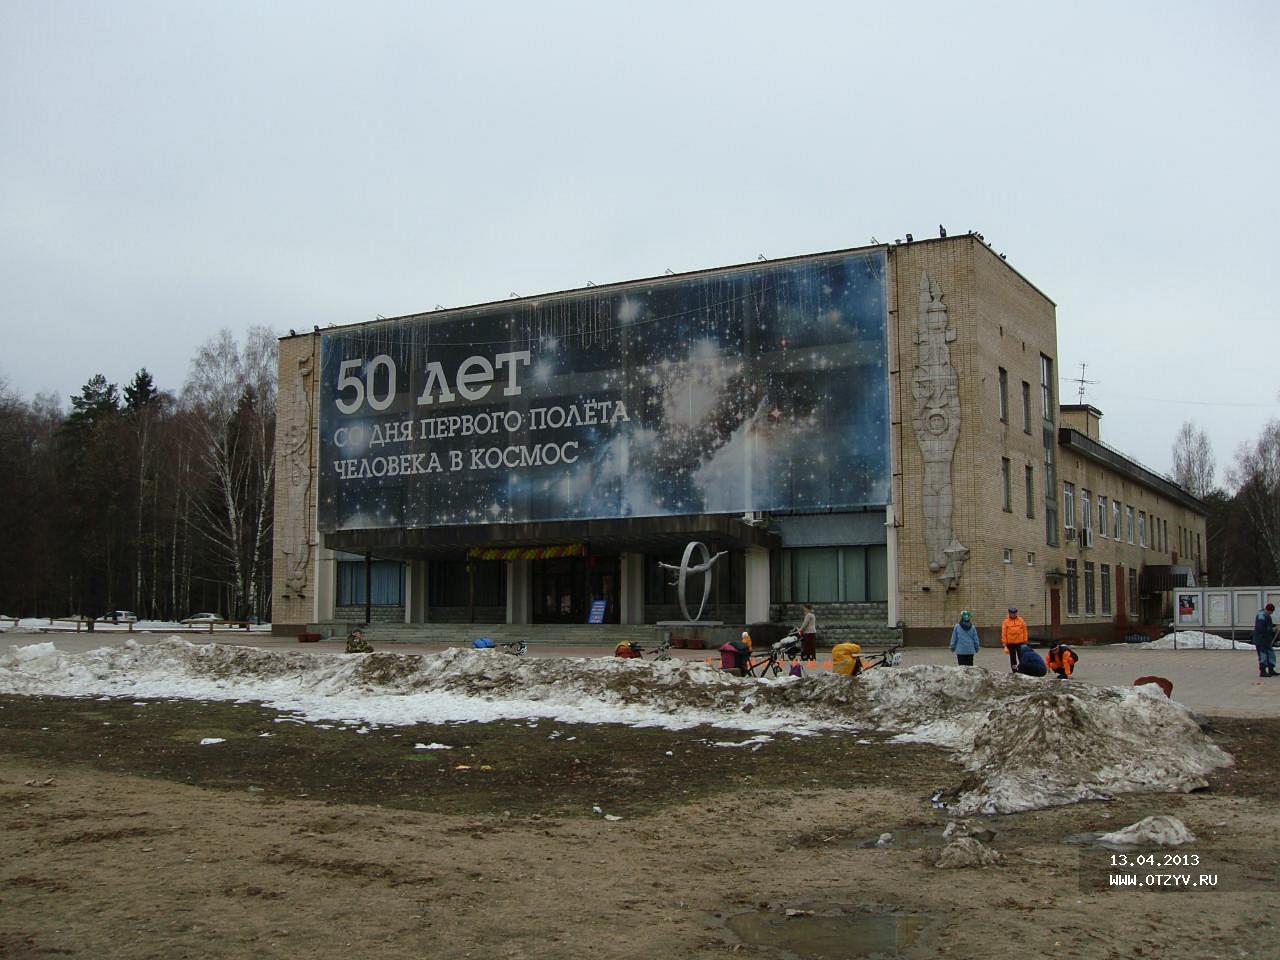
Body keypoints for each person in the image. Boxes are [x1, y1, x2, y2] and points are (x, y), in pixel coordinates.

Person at [1252, 603, 1277, 678]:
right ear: (1267, 610)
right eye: (1270, 612)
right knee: (1263, 655)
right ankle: (1263, 671)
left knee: (1271, 654)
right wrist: (1272, 629)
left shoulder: (1267, 615)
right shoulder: (1261, 616)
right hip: (1260, 639)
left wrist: (1274, 627)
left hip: (1267, 639)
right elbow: (1261, 629)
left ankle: (1271, 669)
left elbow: (1269, 625)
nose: (1271, 614)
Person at [1001, 606, 1029, 673]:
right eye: (1012, 613)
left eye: (1015, 613)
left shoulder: (1021, 620)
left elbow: (1025, 631)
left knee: (1021, 657)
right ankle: (1014, 671)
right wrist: (1004, 643)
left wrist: (1025, 640)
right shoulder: (1006, 622)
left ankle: (1022, 669)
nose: (1013, 614)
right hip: (1011, 643)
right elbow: (1004, 633)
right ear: (1009, 613)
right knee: (1013, 658)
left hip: (1020, 642)